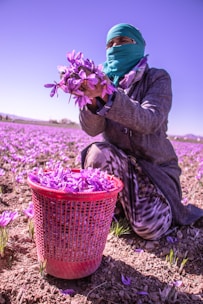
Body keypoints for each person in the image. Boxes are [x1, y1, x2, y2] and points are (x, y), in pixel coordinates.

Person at [77, 23, 203, 240]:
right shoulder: (101, 81)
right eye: (111, 43)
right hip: (121, 169)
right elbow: (92, 129)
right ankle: (116, 208)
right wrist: (90, 99)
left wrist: (109, 96)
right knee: (98, 151)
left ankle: (152, 208)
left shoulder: (157, 78)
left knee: (149, 227)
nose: (115, 47)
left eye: (123, 41)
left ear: (139, 45)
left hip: (155, 174)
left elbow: (150, 120)